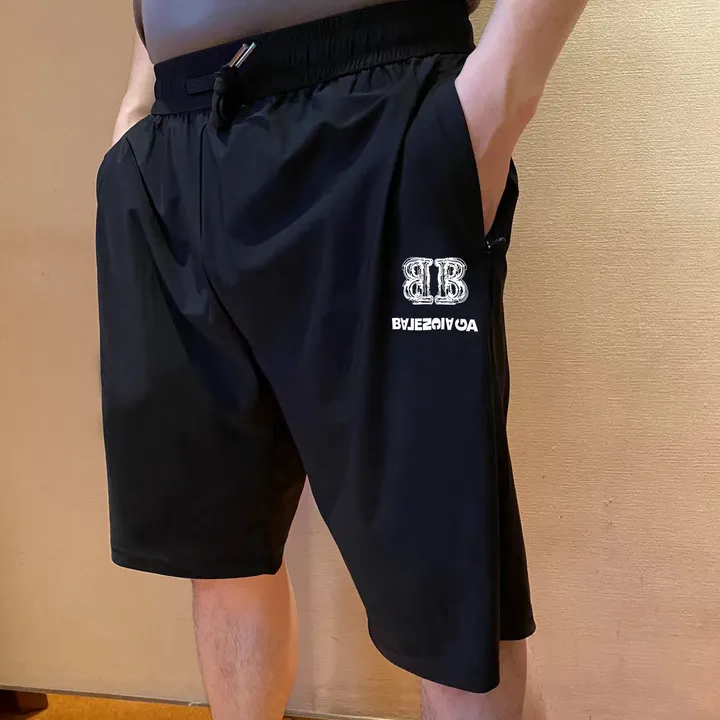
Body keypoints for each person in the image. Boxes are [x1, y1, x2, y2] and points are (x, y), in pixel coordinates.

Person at [97, 0, 587, 718]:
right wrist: (137, 104)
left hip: (373, 103)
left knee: (448, 590)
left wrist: (501, 94)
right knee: (222, 554)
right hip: (173, 141)